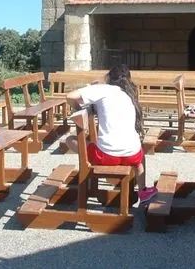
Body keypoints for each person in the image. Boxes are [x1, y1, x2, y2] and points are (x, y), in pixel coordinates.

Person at [62, 64, 158, 205]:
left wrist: (78, 107)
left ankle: (88, 184)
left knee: (70, 140)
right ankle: (143, 190)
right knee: (139, 155)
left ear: (109, 78)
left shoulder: (102, 89)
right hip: (132, 155)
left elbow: (70, 96)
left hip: (107, 156)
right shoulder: (129, 94)